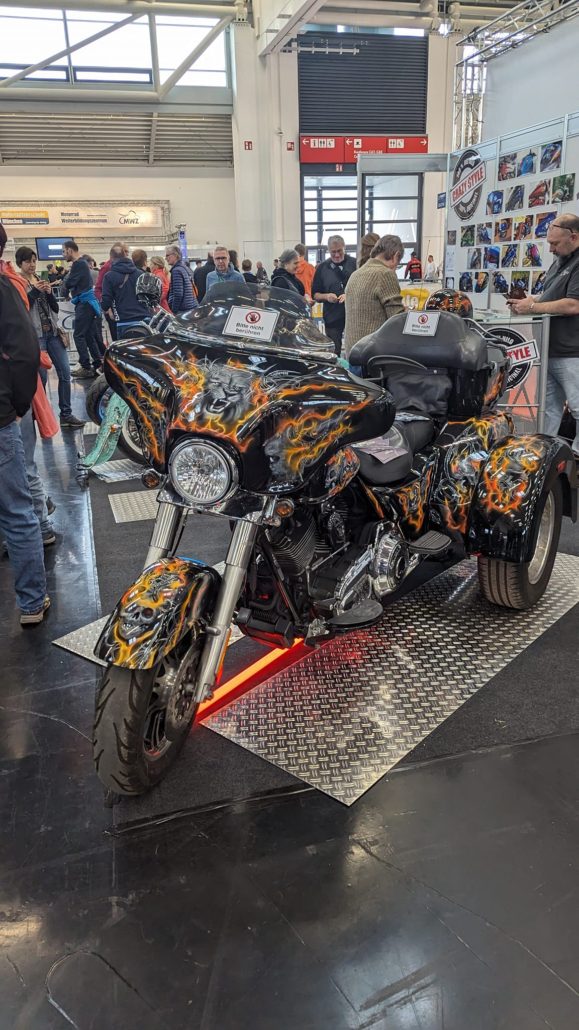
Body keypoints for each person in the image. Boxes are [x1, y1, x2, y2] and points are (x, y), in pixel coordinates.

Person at [0, 224, 49, 625]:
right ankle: (31, 603)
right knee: (18, 510)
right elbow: (25, 350)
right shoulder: (4, 289)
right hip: (1, 417)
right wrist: (16, 405)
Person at [507, 213, 579, 455]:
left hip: (572, 351)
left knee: (578, 408)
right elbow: (551, 295)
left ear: (574, 237)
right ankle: (544, 457)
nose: (551, 249)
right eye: (549, 243)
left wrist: (533, 307)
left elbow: (573, 305)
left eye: (555, 244)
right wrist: (529, 301)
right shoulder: (560, 261)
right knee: (549, 409)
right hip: (550, 349)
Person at [15, 247, 84, 429]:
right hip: (35, 337)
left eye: (34, 261)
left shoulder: (39, 279)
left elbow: (54, 308)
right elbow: (21, 308)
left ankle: (66, 414)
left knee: (65, 373)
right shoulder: (18, 283)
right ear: (20, 263)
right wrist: (35, 292)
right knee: (41, 380)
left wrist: (47, 292)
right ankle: (41, 418)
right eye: (28, 261)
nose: (32, 265)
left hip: (52, 333)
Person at [343, 234, 405, 357]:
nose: (395, 268)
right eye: (398, 263)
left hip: (352, 353)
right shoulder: (385, 274)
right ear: (395, 256)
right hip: (373, 357)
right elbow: (397, 320)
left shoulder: (355, 274)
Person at [62, 240, 104, 379]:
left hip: (85, 304)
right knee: (88, 335)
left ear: (69, 250)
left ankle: (86, 366)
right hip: (87, 303)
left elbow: (69, 283)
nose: (63, 255)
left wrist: (67, 280)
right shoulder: (82, 264)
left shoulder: (78, 264)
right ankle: (98, 364)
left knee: (78, 335)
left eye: (63, 251)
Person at [311, 234, 356, 356]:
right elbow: (315, 294)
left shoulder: (355, 264)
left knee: (355, 349)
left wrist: (349, 295)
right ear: (328, 251)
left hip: (353, 315)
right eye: (333, 252)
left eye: (339, 251)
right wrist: (326, 296)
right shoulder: (322, 268)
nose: (336, 255)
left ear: (344, 247)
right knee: (333, 351)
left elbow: (363, 289)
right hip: (332, 316)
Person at [101, 245, 151, 336]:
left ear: (111, 258)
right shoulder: (141, 274)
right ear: (125, 256)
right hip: (144, 321)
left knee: (126, 349)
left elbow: (106, 301)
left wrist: (106, 309)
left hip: (124, 322)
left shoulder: (109, 276)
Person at [165, 245, 198, 313]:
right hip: (192, 306)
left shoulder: (176, 271)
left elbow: (178, 294)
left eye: (167, 255)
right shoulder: (185, 268)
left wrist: (174, 311)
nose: (166, 258)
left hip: (183, 310)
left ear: (175, 255)